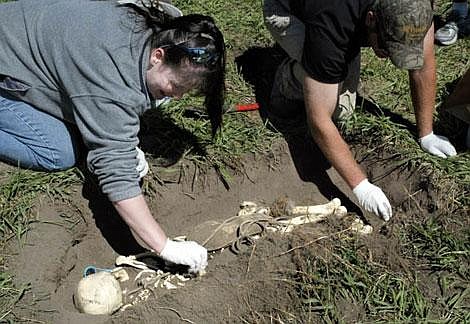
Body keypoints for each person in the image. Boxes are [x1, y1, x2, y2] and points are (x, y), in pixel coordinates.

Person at [0, 0, 226, 274]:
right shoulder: (110, 78)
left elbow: (112, 109)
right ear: (158, 56)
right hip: (7, 66)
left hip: (15, 33)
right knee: (57, 151)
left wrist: (126, 142)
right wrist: (165, 246)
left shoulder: (157, 25)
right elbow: (116, 176)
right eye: (175, 86)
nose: (177, 97)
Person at [263, 0, 457, 222]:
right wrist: (361, 186)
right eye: (386, 46)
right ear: (371, 19)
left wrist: (426, 133)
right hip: (284, 10)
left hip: (345, 18)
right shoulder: (332, 19)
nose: (386, 56)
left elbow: (423, 62)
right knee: (336, 107)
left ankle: (316, 61)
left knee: (341, 100)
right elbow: (319, 120)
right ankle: (291, 78)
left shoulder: (417, 8)